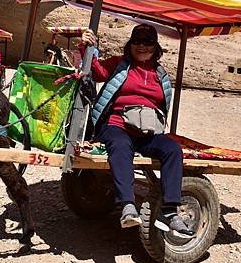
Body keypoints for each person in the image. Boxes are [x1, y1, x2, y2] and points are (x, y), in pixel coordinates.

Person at [80, 24, 195, 238]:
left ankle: (169, 211)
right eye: (137, 41)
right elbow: (96, 72)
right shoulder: (119, 64)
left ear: (155, 47)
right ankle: (127, 205)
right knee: (121, 145)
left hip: (147, 132)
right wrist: (87, 48)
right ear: (130, 44)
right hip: (116, 125)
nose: (142, 46)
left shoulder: (159, 74)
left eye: (147, 42)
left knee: (172, 150)